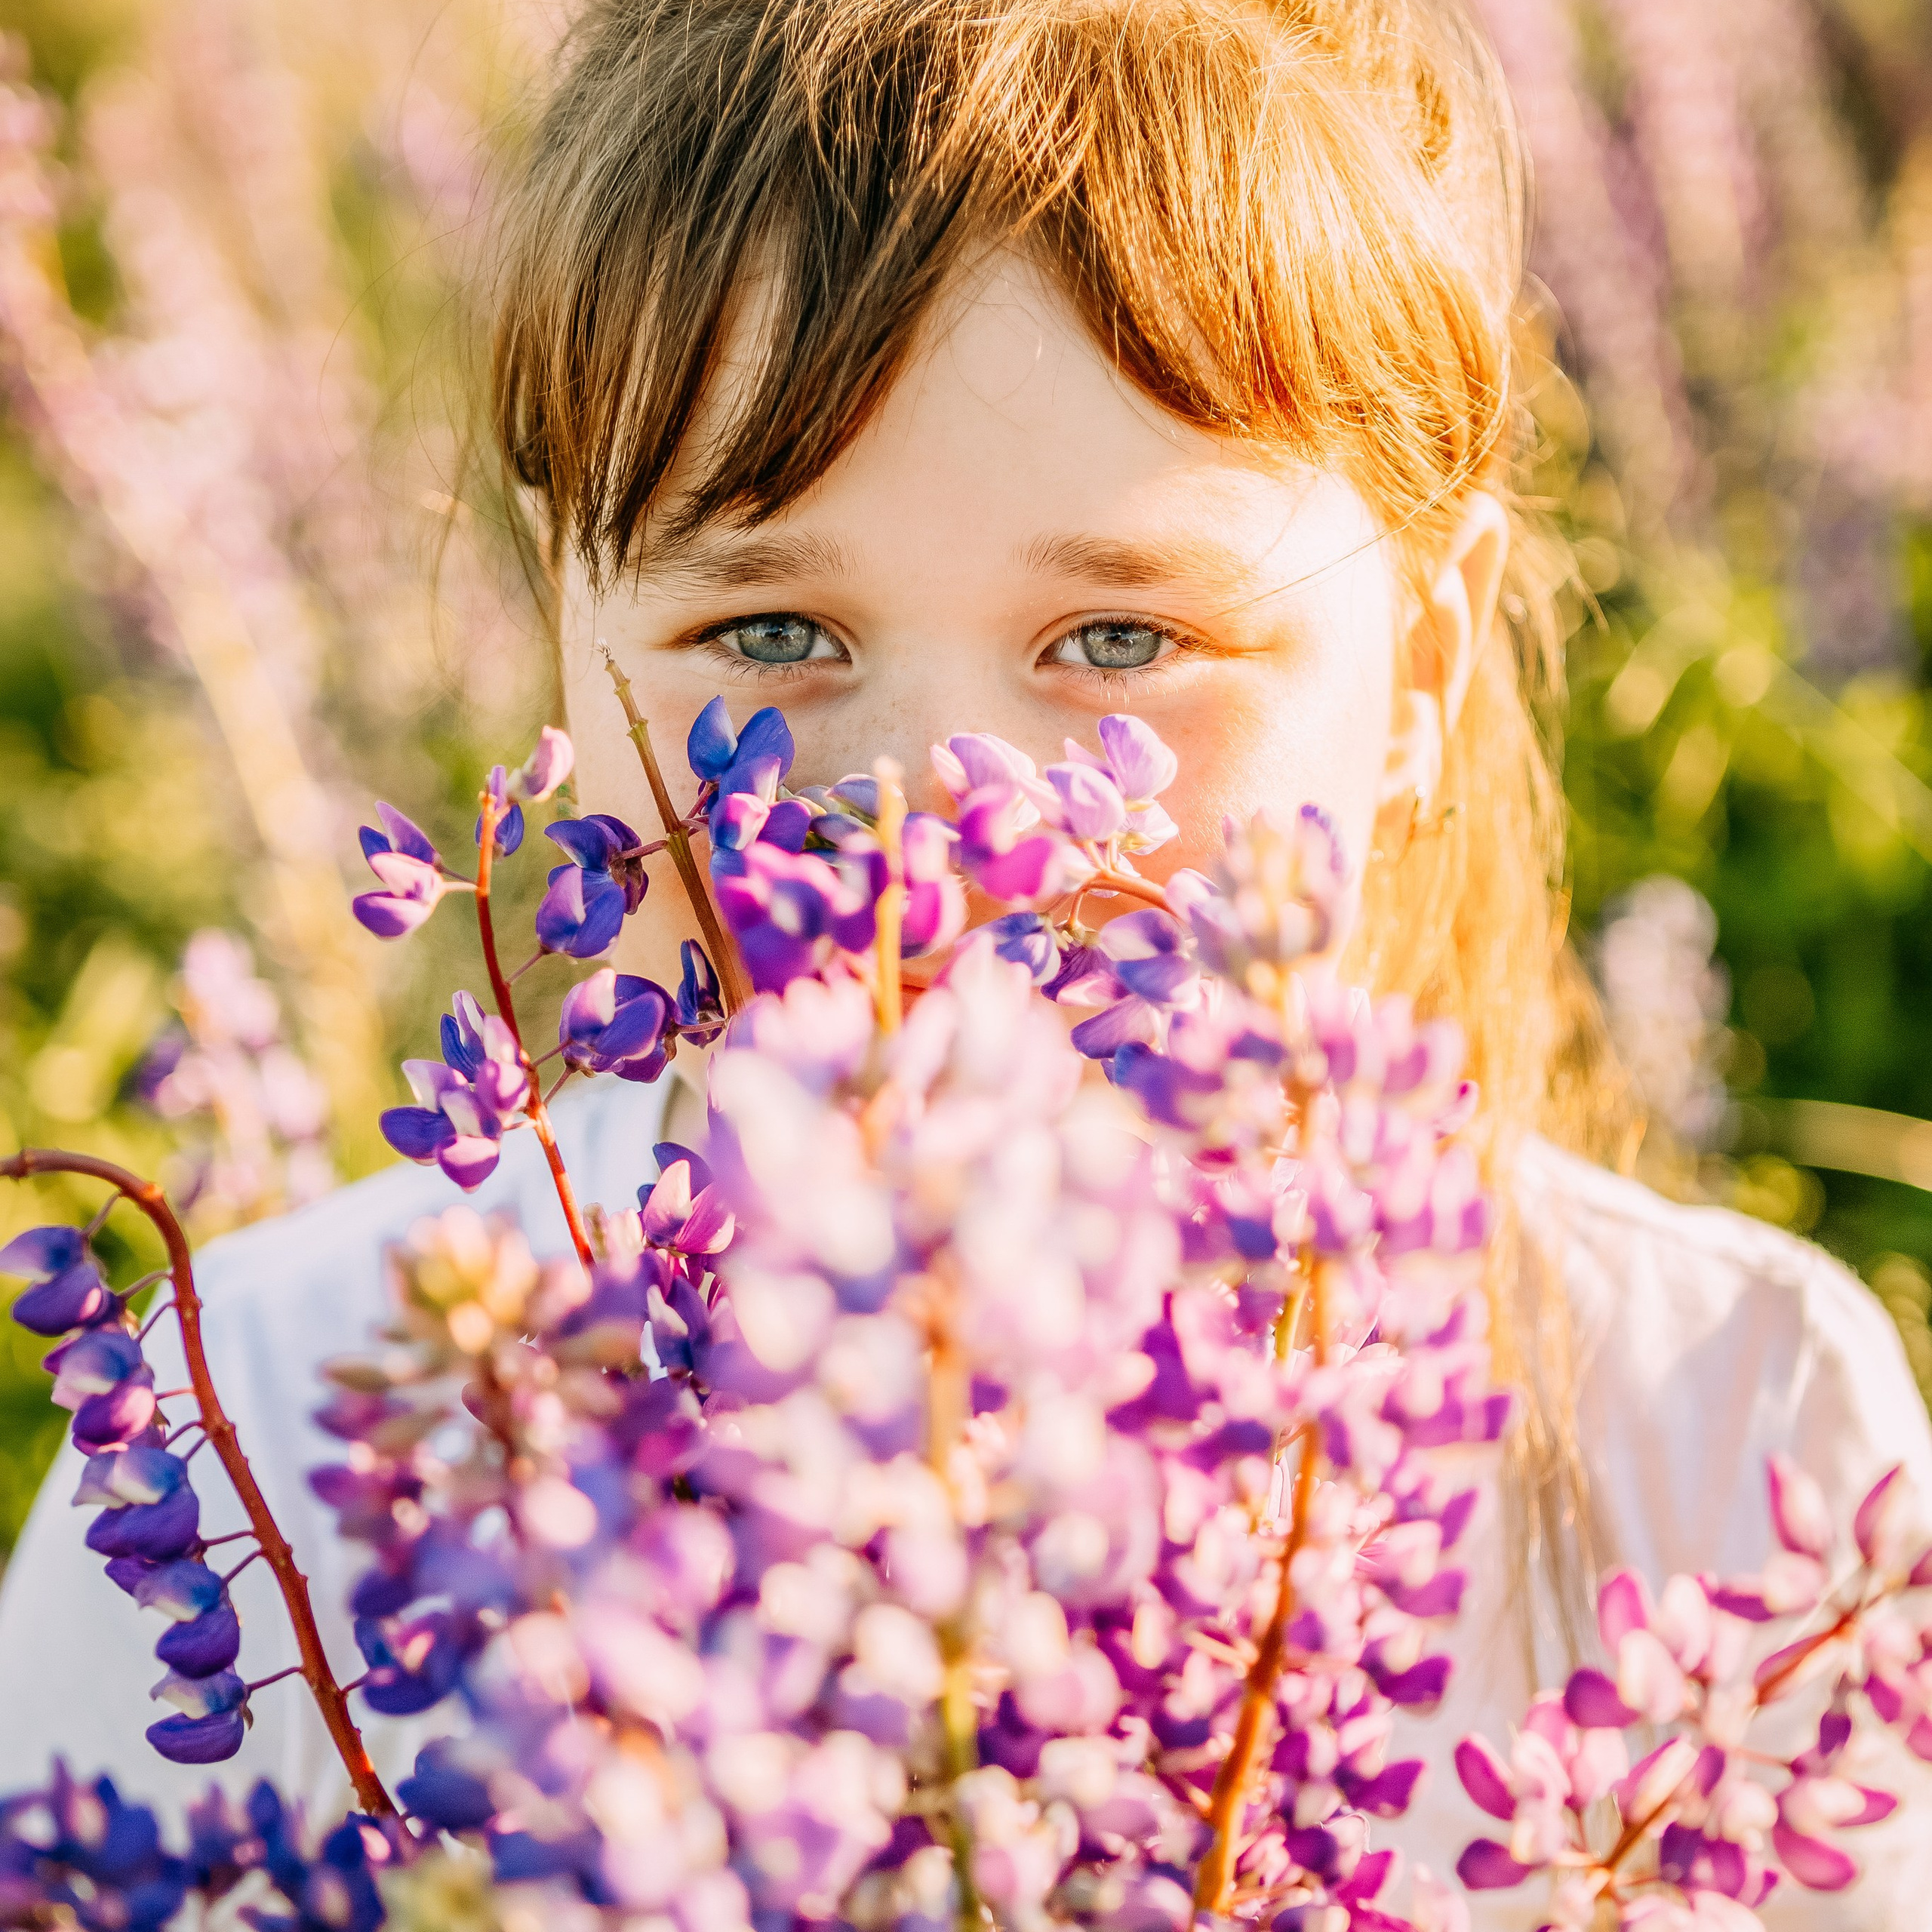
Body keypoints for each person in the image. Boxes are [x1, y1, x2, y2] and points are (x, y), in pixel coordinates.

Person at [3, 1, 1930, 1922]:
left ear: (1423, 669)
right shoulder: (252, 1406)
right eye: (764, 633)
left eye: (1115, 640)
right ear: (559, 629)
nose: (921, 830)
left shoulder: (1725, 1418)